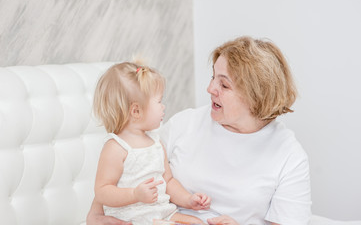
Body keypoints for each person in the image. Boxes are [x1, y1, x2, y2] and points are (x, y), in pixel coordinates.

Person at [87, 36, 312, 225]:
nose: (210, 88)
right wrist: (96, 215)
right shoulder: (184, 123)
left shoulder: (289, 156)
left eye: (224, 85)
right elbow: (129, 171)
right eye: (213, 77)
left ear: (256, 97)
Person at [91, 62, 211, 225]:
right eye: (159, 101)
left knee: (197, 222)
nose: (163, 107)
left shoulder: (155, 142)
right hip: (129, 218)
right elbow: (102, 191)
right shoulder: (116, 147)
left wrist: (188, 200)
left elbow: (168, 181)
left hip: (161, 213)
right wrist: (134, 194)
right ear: (136, 111)